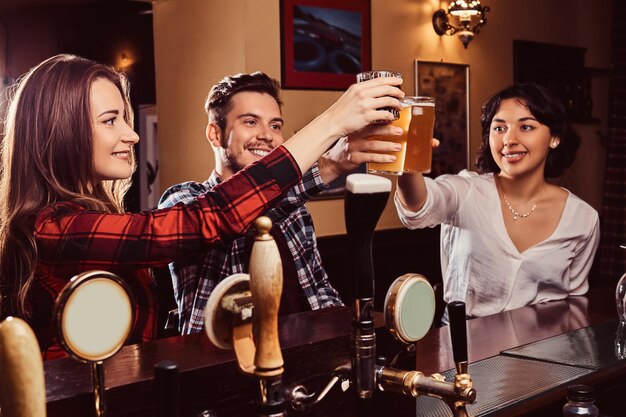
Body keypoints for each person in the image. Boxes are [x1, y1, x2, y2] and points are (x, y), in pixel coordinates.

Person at [0, 54, 403, 359]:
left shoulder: (92, 218)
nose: (133, 135)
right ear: (61, 130)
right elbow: (209, 218)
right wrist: (332, 121)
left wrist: (332, 164)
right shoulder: (52, 228)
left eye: (126, 118)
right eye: (111, 121)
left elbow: (249, 214)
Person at [159, 72, 400, 334]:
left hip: (302, 365)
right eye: (251, 122)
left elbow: (319, 289)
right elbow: (236, 217)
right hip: (218, 366)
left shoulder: (295, 211)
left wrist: (345, 345)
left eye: (275, 126)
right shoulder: (182, 200)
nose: (267, 136)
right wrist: (329, 164)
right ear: (215, 134)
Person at [394, 83, 600, 319]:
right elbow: (416, 206)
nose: (509, 140)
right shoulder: (466, 191)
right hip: (463, 346)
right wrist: (408, 157)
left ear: (554, 137)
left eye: (526, 127)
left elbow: (574, 307)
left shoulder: (583, 218)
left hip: (544, 349)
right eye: (499, 128)